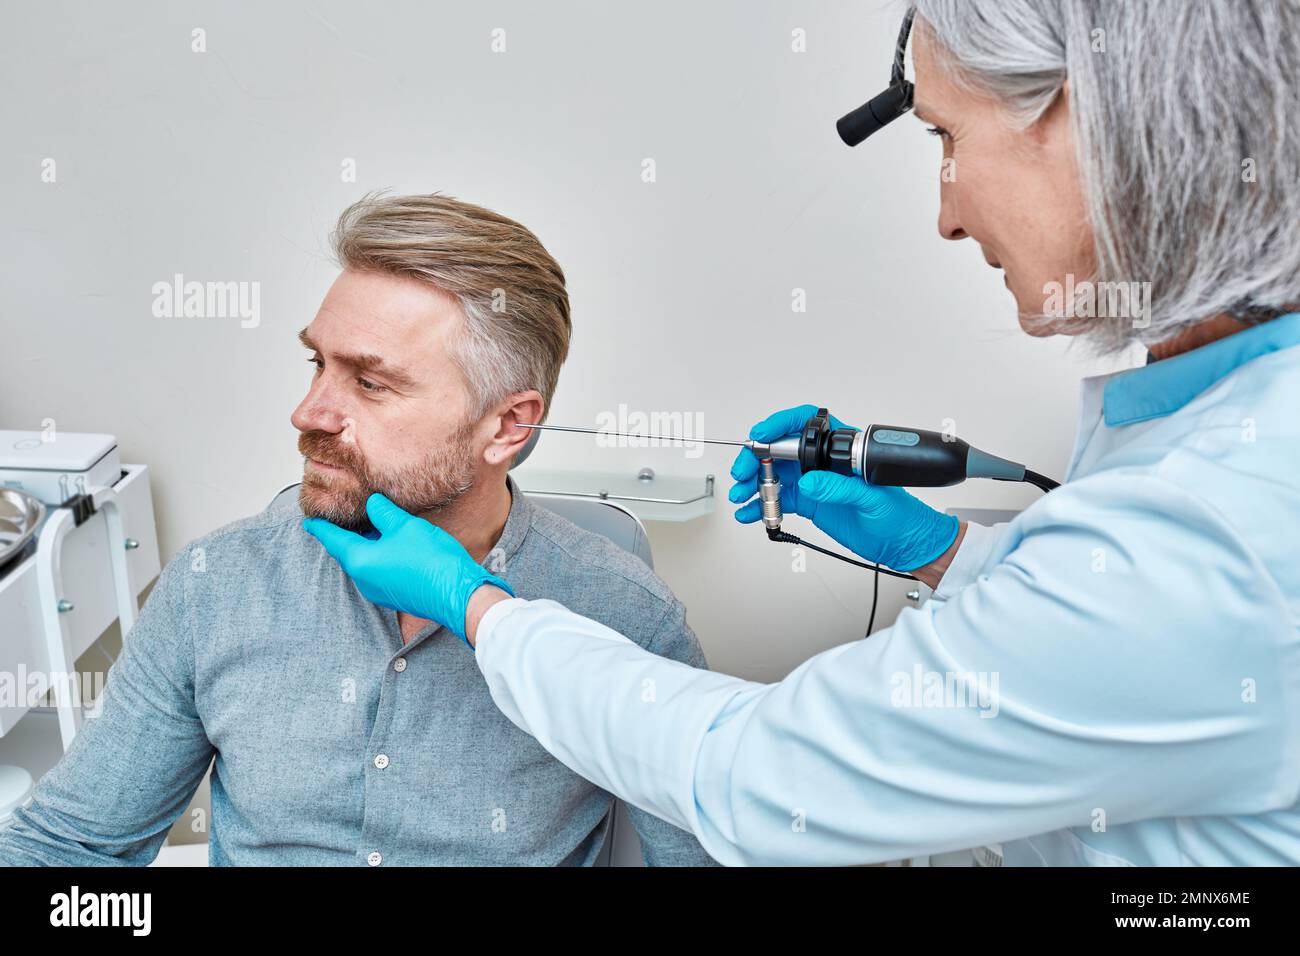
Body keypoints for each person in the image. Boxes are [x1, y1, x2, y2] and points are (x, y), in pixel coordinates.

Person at [304, 1, 1300, 866]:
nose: (947, 213)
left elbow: (752, 777)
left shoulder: (1213, 525)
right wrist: (952, 553)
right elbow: (1121, 646)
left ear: (1108, 129)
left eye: (948, 140)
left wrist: (479, 605)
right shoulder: (1225, 454)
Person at [0, 192, 715, 867]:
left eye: (371, 382)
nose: (309, 412)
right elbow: (69, 845)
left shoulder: (625, 618)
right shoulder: (215, 587)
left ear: (507, 426)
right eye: (318, 363)